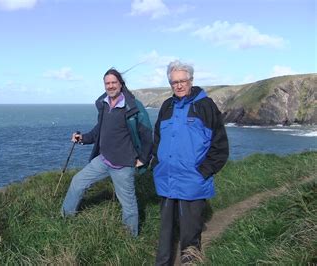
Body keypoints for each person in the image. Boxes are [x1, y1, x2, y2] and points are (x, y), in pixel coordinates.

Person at [152, 60, 229, 265]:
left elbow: (220, 146)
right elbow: (157, 138)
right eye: (174, 82)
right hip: (166, 180)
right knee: (165, 234)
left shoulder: (205, 106)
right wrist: (156, 164)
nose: (178, 85)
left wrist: (204, 171)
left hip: (193, 181)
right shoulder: (167, 106)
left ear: (191, 80)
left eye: (183, 81)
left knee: (190, 235)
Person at [61, 68, 153, 237]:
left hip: (124, 164)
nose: (110, 86)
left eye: (113, 82)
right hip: (103, 159)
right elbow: (100, 131)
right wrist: (83, 138)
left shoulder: (132, 106)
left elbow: (147, 134)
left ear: (120, 84)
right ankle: (65, 219)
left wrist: (143, 159)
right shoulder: (104, 104)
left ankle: (131, 239)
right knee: (77, 181)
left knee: (128, 204)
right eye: (107, 83)